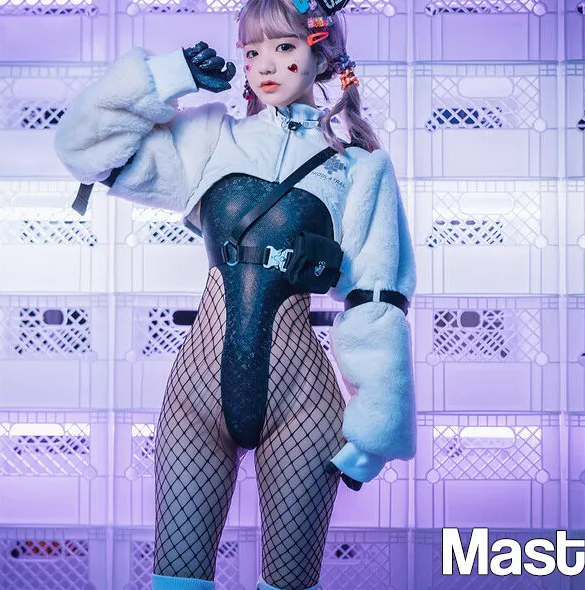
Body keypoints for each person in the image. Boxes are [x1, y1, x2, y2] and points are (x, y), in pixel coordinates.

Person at [54, 0, 416, 587]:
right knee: (176, 583)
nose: (265, 64)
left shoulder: (359, 169)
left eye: (284, 47)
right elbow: (84, 149)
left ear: (321, 55)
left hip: (304, 404)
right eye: (252, 51)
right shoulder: (209, 139)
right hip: (195, 402)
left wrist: (376, 430)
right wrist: (167, 76)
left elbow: (378, 300)